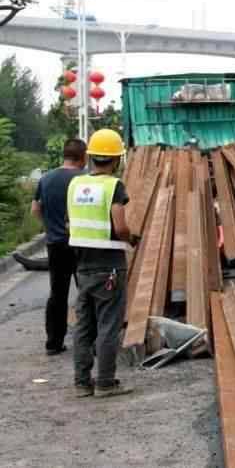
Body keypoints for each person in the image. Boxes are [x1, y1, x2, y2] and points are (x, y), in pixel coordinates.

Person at [67, 129, 135, 398]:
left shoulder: (75, 185)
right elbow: (120, 226)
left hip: (82, 264)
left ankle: (82, 382)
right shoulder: (113, 186)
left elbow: (70, 220)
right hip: (109, 264)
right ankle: (105, 382)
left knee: (84, 325)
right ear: (117, 160)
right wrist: (132, 239)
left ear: (92, 157)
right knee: (108, 324)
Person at [31, 138, 86, 356]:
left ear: (64, 155)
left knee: (58, 294)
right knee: (87, 292)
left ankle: (54, 342)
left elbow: (35, 208)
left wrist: (49, 227)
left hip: (55, 244)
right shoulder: (84, 179)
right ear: (83, 157)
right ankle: (89, 341)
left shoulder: (46, 179)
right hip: (81, 243)